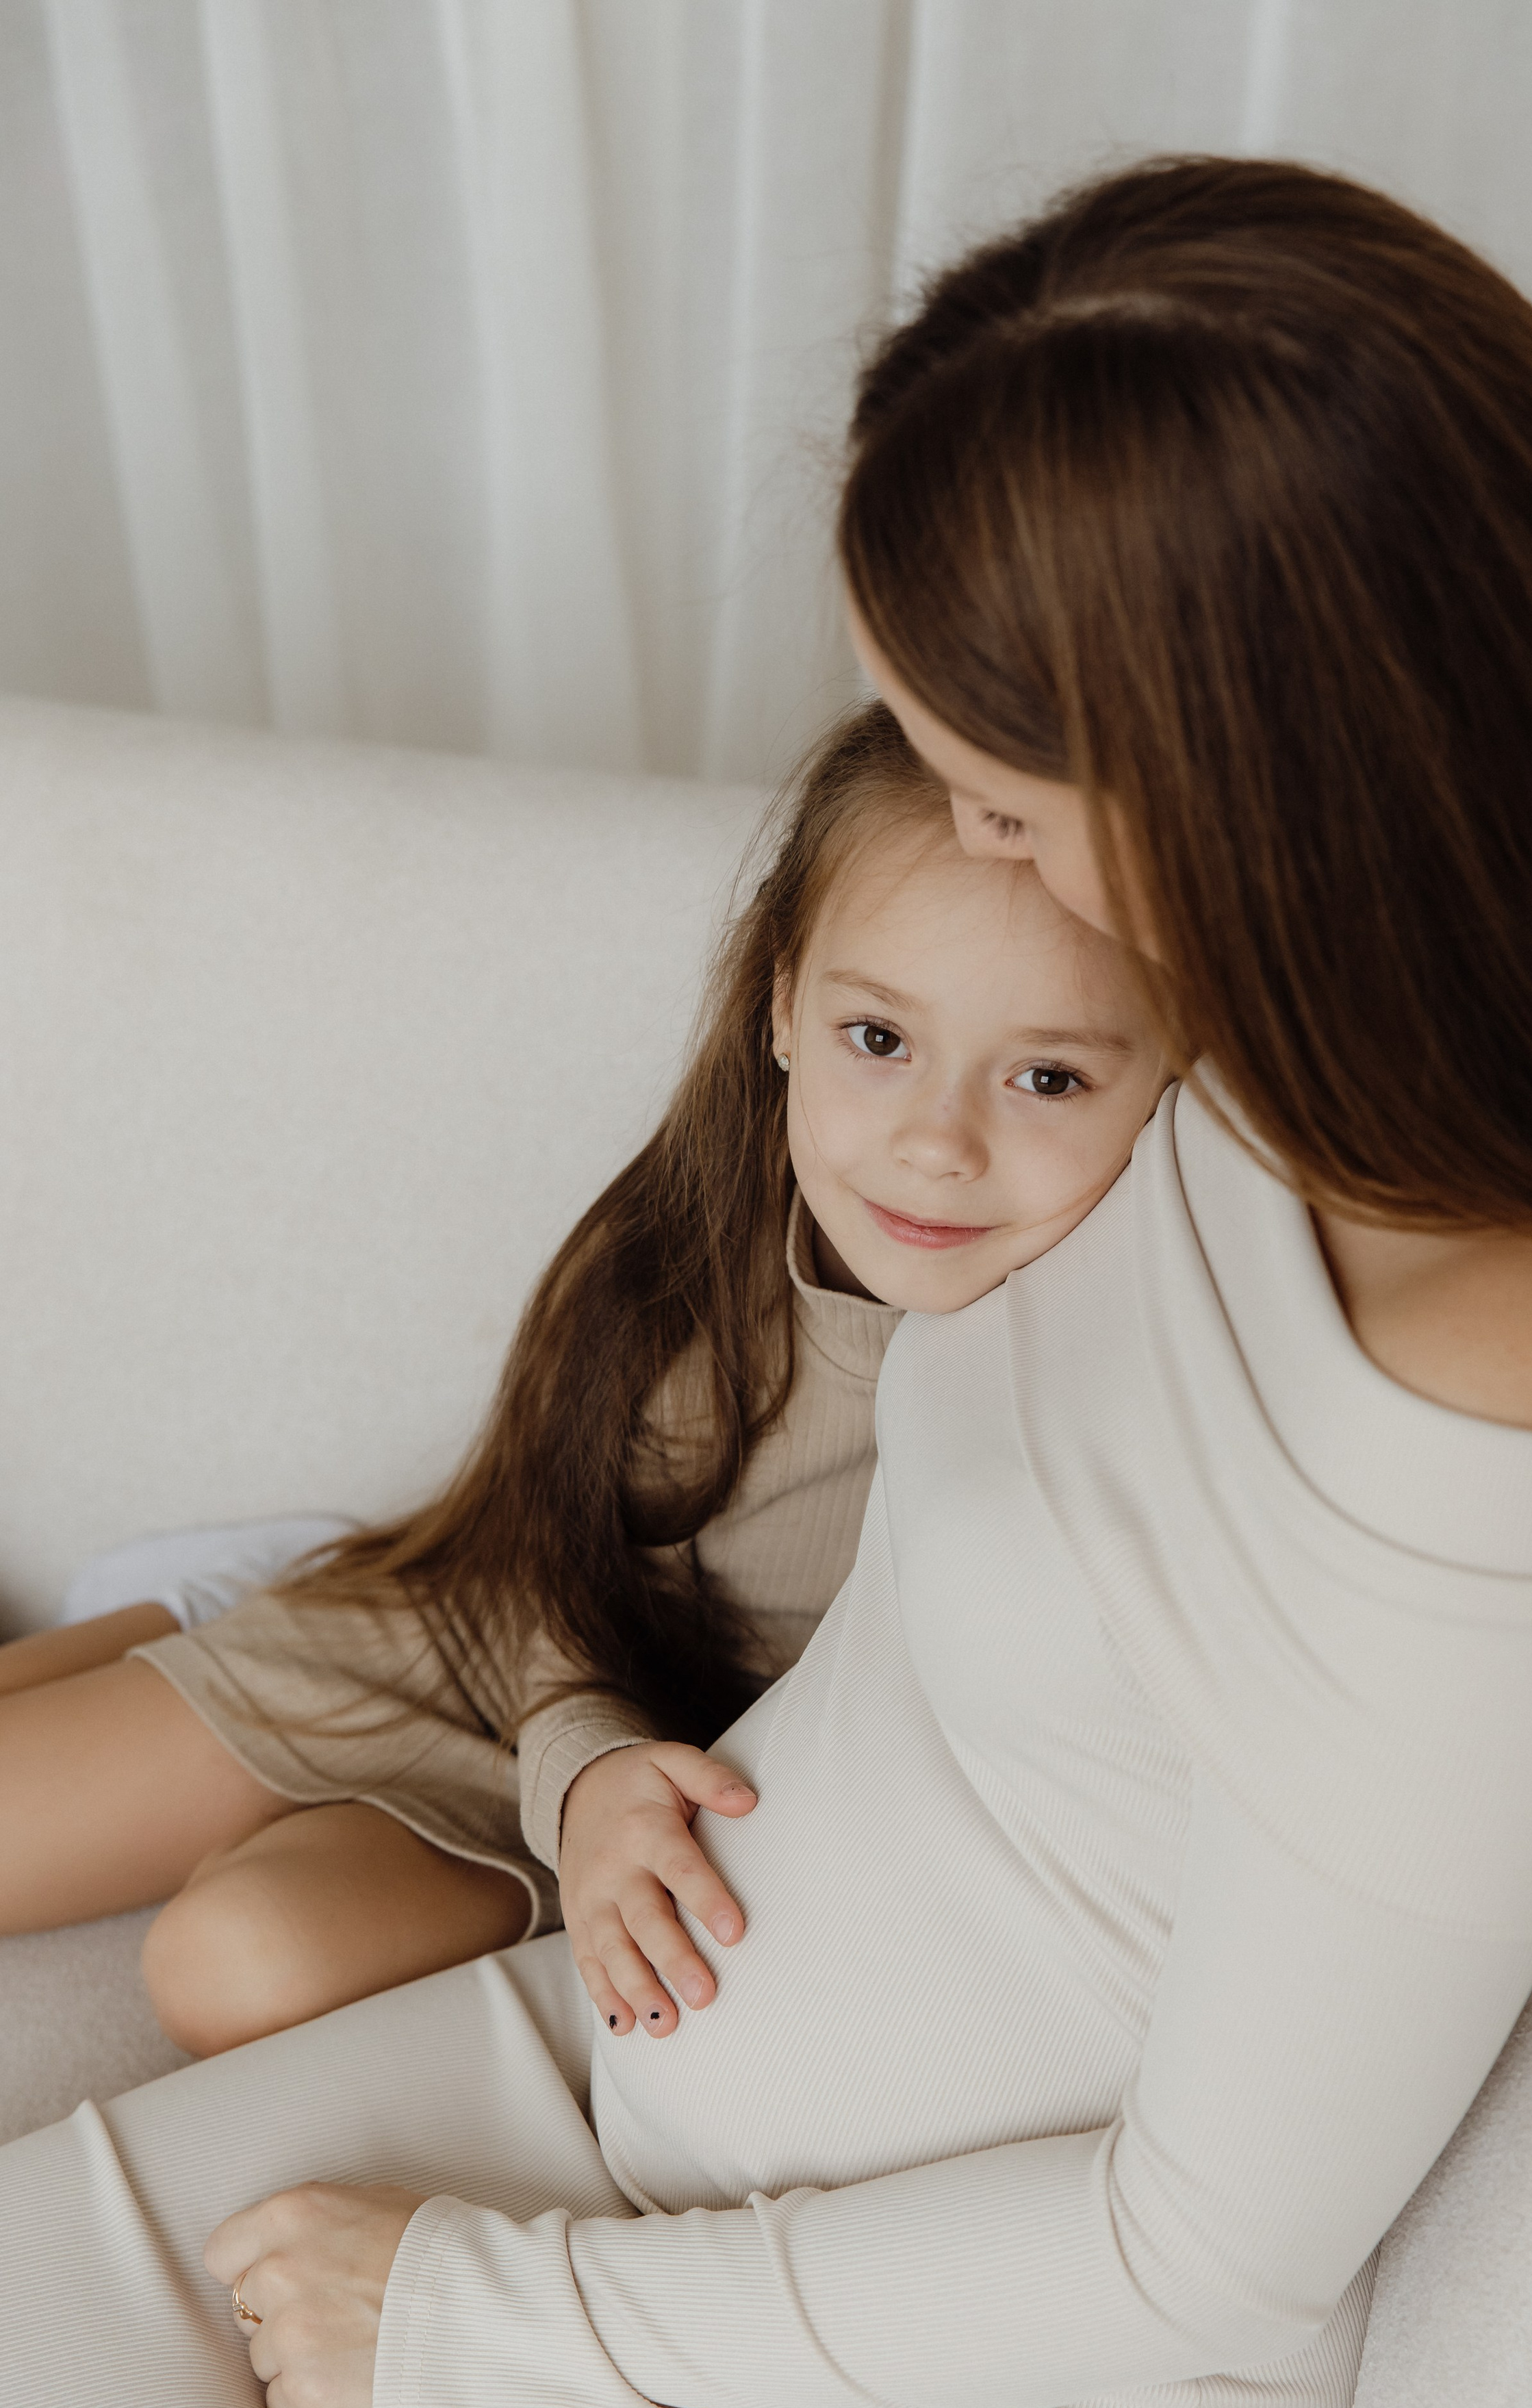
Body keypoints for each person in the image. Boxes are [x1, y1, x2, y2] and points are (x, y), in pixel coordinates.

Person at [3, 155, 1532, 2408]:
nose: (968, 842)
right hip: (627, 2084)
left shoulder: (1522, 1385)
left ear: (1271, 783)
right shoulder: (1287, 1051)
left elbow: (1204, 2253)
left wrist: (501, 2323)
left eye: (1008, 800)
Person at [0, 702, 1167, 2055]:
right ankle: (226, 1602)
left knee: (235, 1966)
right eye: (880, 1041)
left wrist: (593, 1793)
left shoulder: (1101, 1375)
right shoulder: (699, 1258)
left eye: (1044, 1076)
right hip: (495, 1641)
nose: (938, 1145)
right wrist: (583, 1758)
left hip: (632, 1784)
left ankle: (195, 1616)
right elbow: (556, 1572)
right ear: (785, 1006)